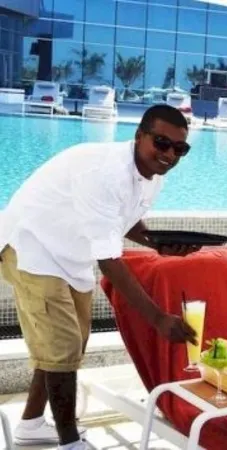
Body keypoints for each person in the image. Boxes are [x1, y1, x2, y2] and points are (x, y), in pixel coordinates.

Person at [0, 105, 200, 450]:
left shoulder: (152, 175)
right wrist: (157, 318)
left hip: (71, 252)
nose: (169, 154)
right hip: (31, 245)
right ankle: (70, 443)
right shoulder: (105, 173)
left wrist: (157, 244)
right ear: (139, 136)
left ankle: (31, 425)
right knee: (62, 347)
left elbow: (123, 219)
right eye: (161, 142)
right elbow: (109, 260)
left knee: (69, 344)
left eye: (179, 148)